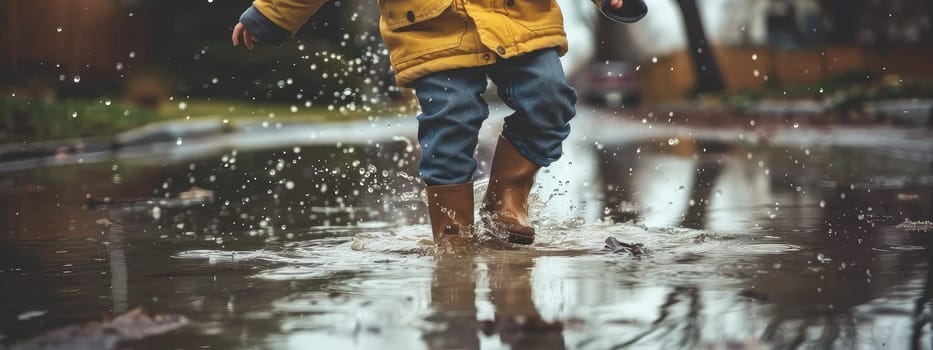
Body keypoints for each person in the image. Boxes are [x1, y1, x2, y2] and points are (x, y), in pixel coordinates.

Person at [232, 0, 647, 245]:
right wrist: (272, 13)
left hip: (521, 19)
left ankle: (507, 203)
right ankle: (453, 232)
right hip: (430, 31)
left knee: (550, 103)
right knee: (451, 121)